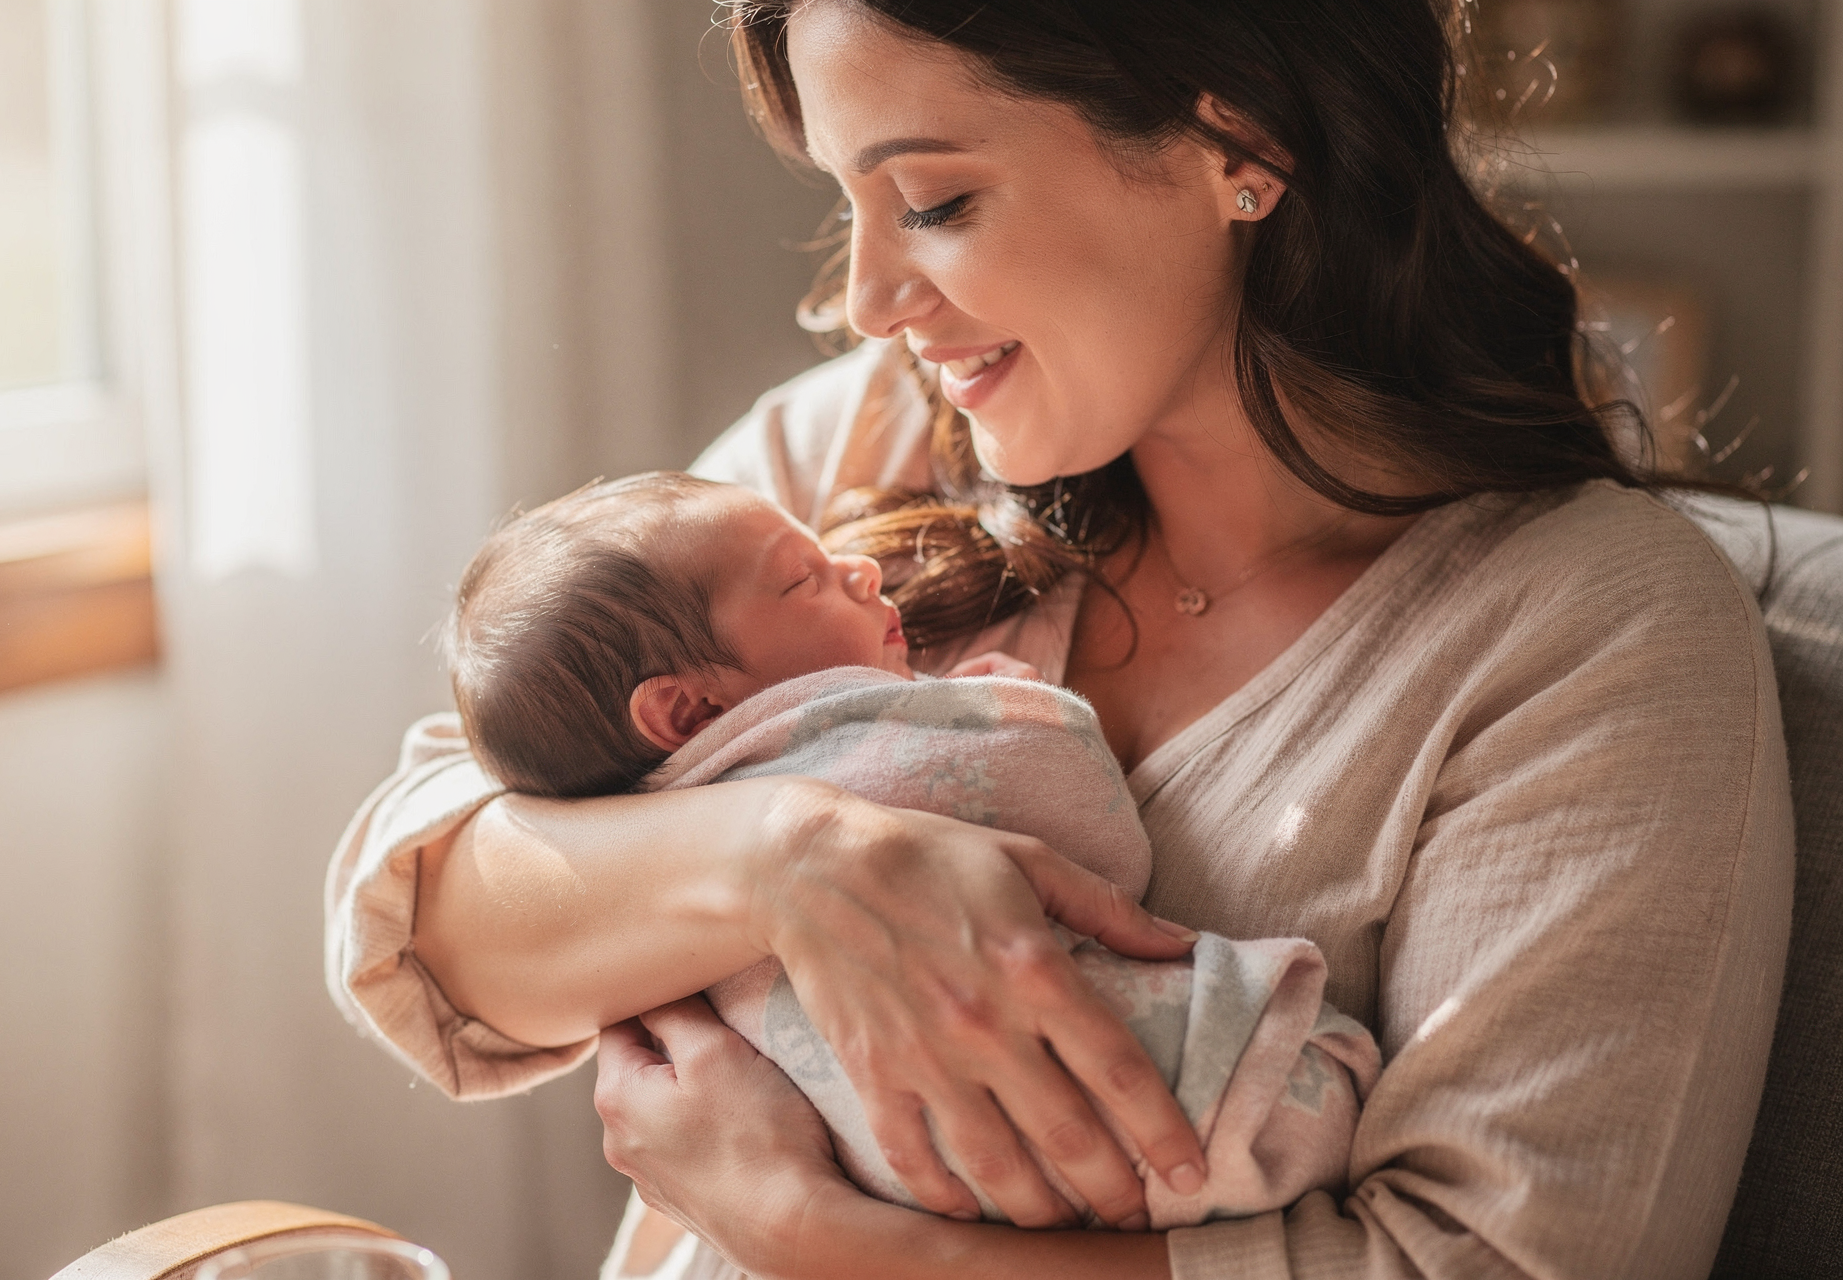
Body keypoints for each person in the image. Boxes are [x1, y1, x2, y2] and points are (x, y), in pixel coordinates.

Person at [324, 0, 1794, 1276]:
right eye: (850, 203)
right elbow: (434, 898)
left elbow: (1492, 1262)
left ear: (1242, 145)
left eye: (937, 202)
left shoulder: (1581, 633)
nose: (866, 300)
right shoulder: (870, 448)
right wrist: (795, 863)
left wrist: (832, 1247)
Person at [439, 468, 1384, 1243]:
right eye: (800, 579)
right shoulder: (846, 735)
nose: (858, 568)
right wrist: (1005, 702)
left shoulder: (636, 824)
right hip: (1149, 1131)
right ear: (690, 711)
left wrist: (811, 1235)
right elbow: (1098, 843)